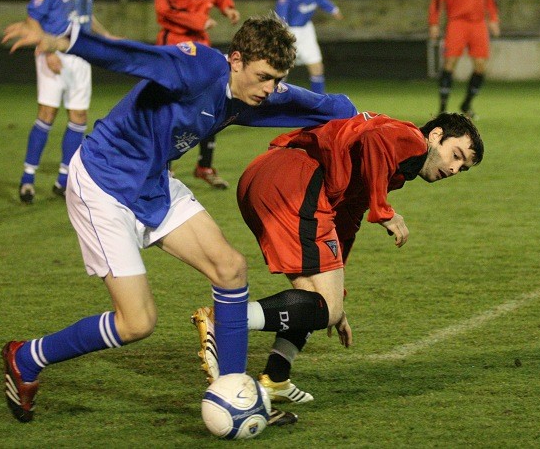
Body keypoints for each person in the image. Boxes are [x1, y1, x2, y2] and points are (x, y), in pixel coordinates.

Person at [0, 12, 358, 423]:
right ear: (236, 59)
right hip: (103, 184)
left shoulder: (250, 93)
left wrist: (368, 124)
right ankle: (26, 358)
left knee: (230, 268)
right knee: (136, 323)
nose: (270, 89)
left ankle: (235, 394)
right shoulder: (198, 66)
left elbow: (323, 106)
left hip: (153, 183)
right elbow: (134, 57)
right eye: (263, 77)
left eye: (277, 79)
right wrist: (64, 41)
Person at [192, 111, 484, 404]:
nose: (455, 168)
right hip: (296, 179)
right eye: (456, 155)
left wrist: (335, 294)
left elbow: (347, 218)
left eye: (464, 167)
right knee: (324, 306)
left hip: (271, 176)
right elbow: (375, 139)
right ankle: (226, 319)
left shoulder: (396, 166)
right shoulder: (411, 139)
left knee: (315, 301)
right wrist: (382, 209)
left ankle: (275, 378)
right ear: (436, 136)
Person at [17, 0, 117, 204]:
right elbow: (32, 21)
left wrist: (106, 36)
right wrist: (47, 51)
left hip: (80, 55)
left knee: (79, 117)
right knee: (47, 114)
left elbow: (86, 16)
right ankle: (28, 179)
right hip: (53, 55)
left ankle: (63, 180)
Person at [154, 0, 240, 190]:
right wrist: (198, 21)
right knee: (171, 106)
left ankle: (204, 166)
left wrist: (227, 6)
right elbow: (164, 9)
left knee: (213, 100)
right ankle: (163, 168)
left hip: (201, 44)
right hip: (175, 43)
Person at [428, 0, 500, 119]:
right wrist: (434, 23)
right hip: (457, 23)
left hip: (478, 24)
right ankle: (443, 108)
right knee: (449, 64)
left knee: (481, 66)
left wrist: (494, 19)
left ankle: (466, 104)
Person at [275, 0, 343, 95]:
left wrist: (332, 8)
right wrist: (282, 32)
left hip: (307, 30)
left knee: (317, 67)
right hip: (291, 31)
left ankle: (319, 102)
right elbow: (281, 11)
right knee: (282, 70)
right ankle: (273, 101)